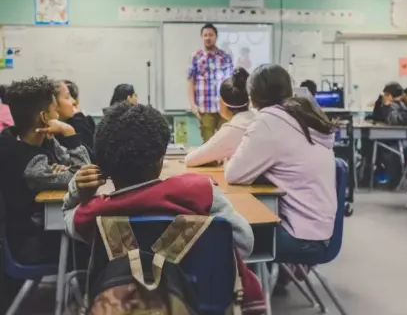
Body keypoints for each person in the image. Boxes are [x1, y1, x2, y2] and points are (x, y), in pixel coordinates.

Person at [62, 103, 265, 314]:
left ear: (104, 166)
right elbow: (244, 243)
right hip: (200, 304)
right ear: (160, 160)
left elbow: (68, 219)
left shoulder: (94, 212)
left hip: (126, 305)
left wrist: (77, 190)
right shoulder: (199, 192)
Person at [225, 64, 337, 264]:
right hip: (323, 231)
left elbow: (233, 174)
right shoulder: (305, 115)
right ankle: (276, 279)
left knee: (219, 234)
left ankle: (249, 291)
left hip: (300, 237)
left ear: (253, 96)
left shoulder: (268, 121)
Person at [0, 76, 90, 265]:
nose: (58, 114)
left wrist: (65, 171)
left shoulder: (40, 140)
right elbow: (85, 176)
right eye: (55, 109)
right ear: (44, 117)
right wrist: (70, 133)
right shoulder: (28, 162)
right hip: (31, 243)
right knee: (96, 242)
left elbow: (73, 169)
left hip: (42, 230)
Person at [185, 67, 255, 167]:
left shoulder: (230, 130)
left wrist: (194, 151)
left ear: (222, 103)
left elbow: (190, 160)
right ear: (249, 101)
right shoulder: (259, 118)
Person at [188, 23, 234, 143]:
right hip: (205, 108)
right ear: (202, 37)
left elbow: (230, 82)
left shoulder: (225, 56)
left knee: (225, 142)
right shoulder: (195, 57)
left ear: (216, 37)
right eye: (205, 35)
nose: (208, 38)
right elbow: (191, 81)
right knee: (208, 144)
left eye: (211, 35)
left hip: (223, 107)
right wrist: (193, 104)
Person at [56, 80, 96, 158]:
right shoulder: (49, 136)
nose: (73, 101)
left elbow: (91, 159)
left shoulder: (81, 120)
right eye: (67, 97)